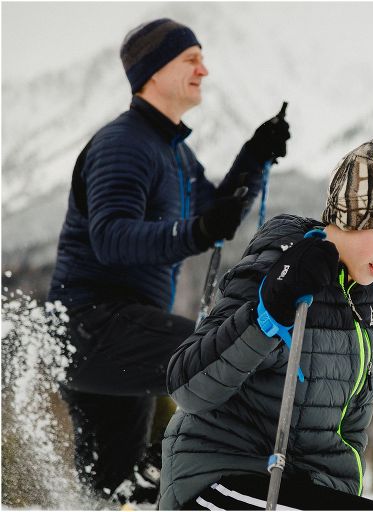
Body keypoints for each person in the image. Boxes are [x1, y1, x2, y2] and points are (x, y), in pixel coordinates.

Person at [46, 18, 290, 504]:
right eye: (190, 59)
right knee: (227, 358)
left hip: (119, 335)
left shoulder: (175, 155)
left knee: (109, 494)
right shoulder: (124, 145)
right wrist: (198, 230)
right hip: (93, 325)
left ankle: (136, 483)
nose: (204, 69)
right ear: (153, 71)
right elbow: (112, 238)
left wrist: (254, 156)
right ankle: (185, 467)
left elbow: (215, 215)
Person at [159, 137, 373, 510]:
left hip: (309, 488)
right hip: (224, 481)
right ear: (350, 213)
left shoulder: (361, 287)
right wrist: (268, 311)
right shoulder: (280, 265)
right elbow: (188, 387)